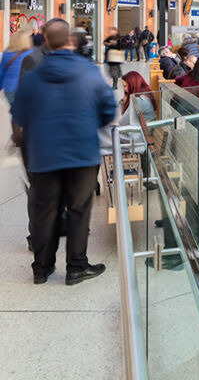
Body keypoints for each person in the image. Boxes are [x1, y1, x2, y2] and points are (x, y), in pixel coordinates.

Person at [12, 19, 116, 285]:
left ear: (45, 40)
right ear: (70, 41)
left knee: (45, 210)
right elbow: (107, 110)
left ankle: (42, 268)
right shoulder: (89, 71)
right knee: (79, 209)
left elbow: (20, 115)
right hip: (82, 153)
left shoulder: (33, 74)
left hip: (43, 154)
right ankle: (76, 267)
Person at [0, 27, 34, 106]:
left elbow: (1, 72)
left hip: (10, 88)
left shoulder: (6, 54)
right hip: (27, 88)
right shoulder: (32, 53)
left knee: (15, 112)